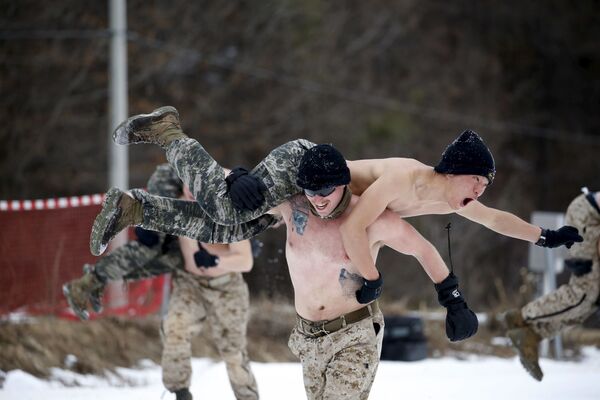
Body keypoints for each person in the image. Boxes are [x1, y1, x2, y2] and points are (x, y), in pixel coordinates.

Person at [90, 106, 581, 292]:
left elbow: (498, 221)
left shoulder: (456, 202)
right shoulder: (403, 179)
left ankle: (137, 208)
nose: (480, 194)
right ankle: (169, 131)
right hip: (304, 166)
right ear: (456, 171)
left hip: (317, 188)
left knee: (228, 229)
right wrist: (372, 279)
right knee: (225, 207)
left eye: (484, 189)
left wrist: (545, 236)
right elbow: (351, 229)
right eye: (478, 182)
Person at [268, 144, 477, 399]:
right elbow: (230, 191)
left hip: (353, 336)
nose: (318, 199)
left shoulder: (373, 219)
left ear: (343, 183)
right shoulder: (294, 207)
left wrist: (454, 301)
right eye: (311, 190)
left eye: (325, 190)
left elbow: (423, 250)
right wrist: (239, 180)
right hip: (308, 338)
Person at [64, 164, 259, 400]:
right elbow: (143, 212)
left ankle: (247, 397)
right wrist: (148, 228)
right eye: (189, 186)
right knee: (174, 329)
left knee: (233, 352)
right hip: (190, 282)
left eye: (199, 188)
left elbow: (245, 261)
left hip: (227, 286)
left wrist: (216, 259)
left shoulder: (226, 208)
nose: (192, 193)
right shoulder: (174, 204)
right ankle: (180, 392)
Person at [502, 187, 600, 381]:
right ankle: (522, 317)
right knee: (585, 293)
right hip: (588, 215)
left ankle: (531, 335)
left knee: (591, 301)